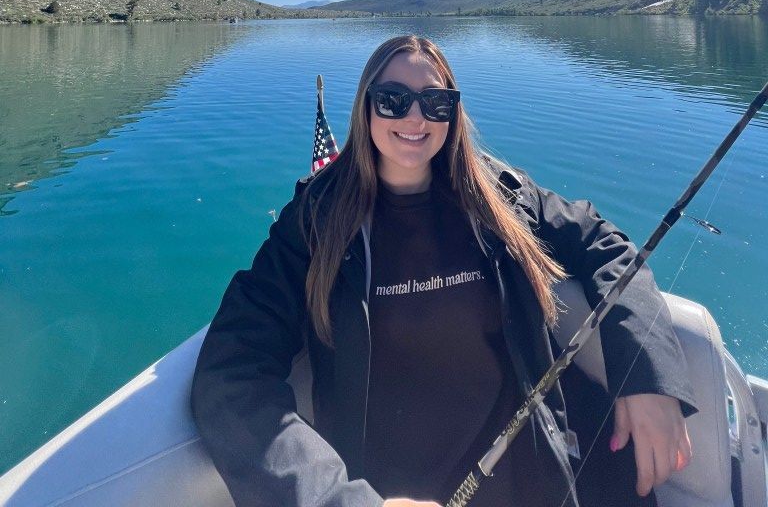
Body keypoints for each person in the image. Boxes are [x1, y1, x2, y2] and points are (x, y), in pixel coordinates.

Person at [191, 34, 695, 507]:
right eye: (392, 99)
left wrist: (646, 377)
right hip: (394, 493)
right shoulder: (316, 223)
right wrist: (339, 498)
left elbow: (608, 247)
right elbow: (231, 371)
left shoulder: (500, 197)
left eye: (435, 102)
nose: (415, 117)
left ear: (453, 114)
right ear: (366, 106)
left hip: (538, 472)